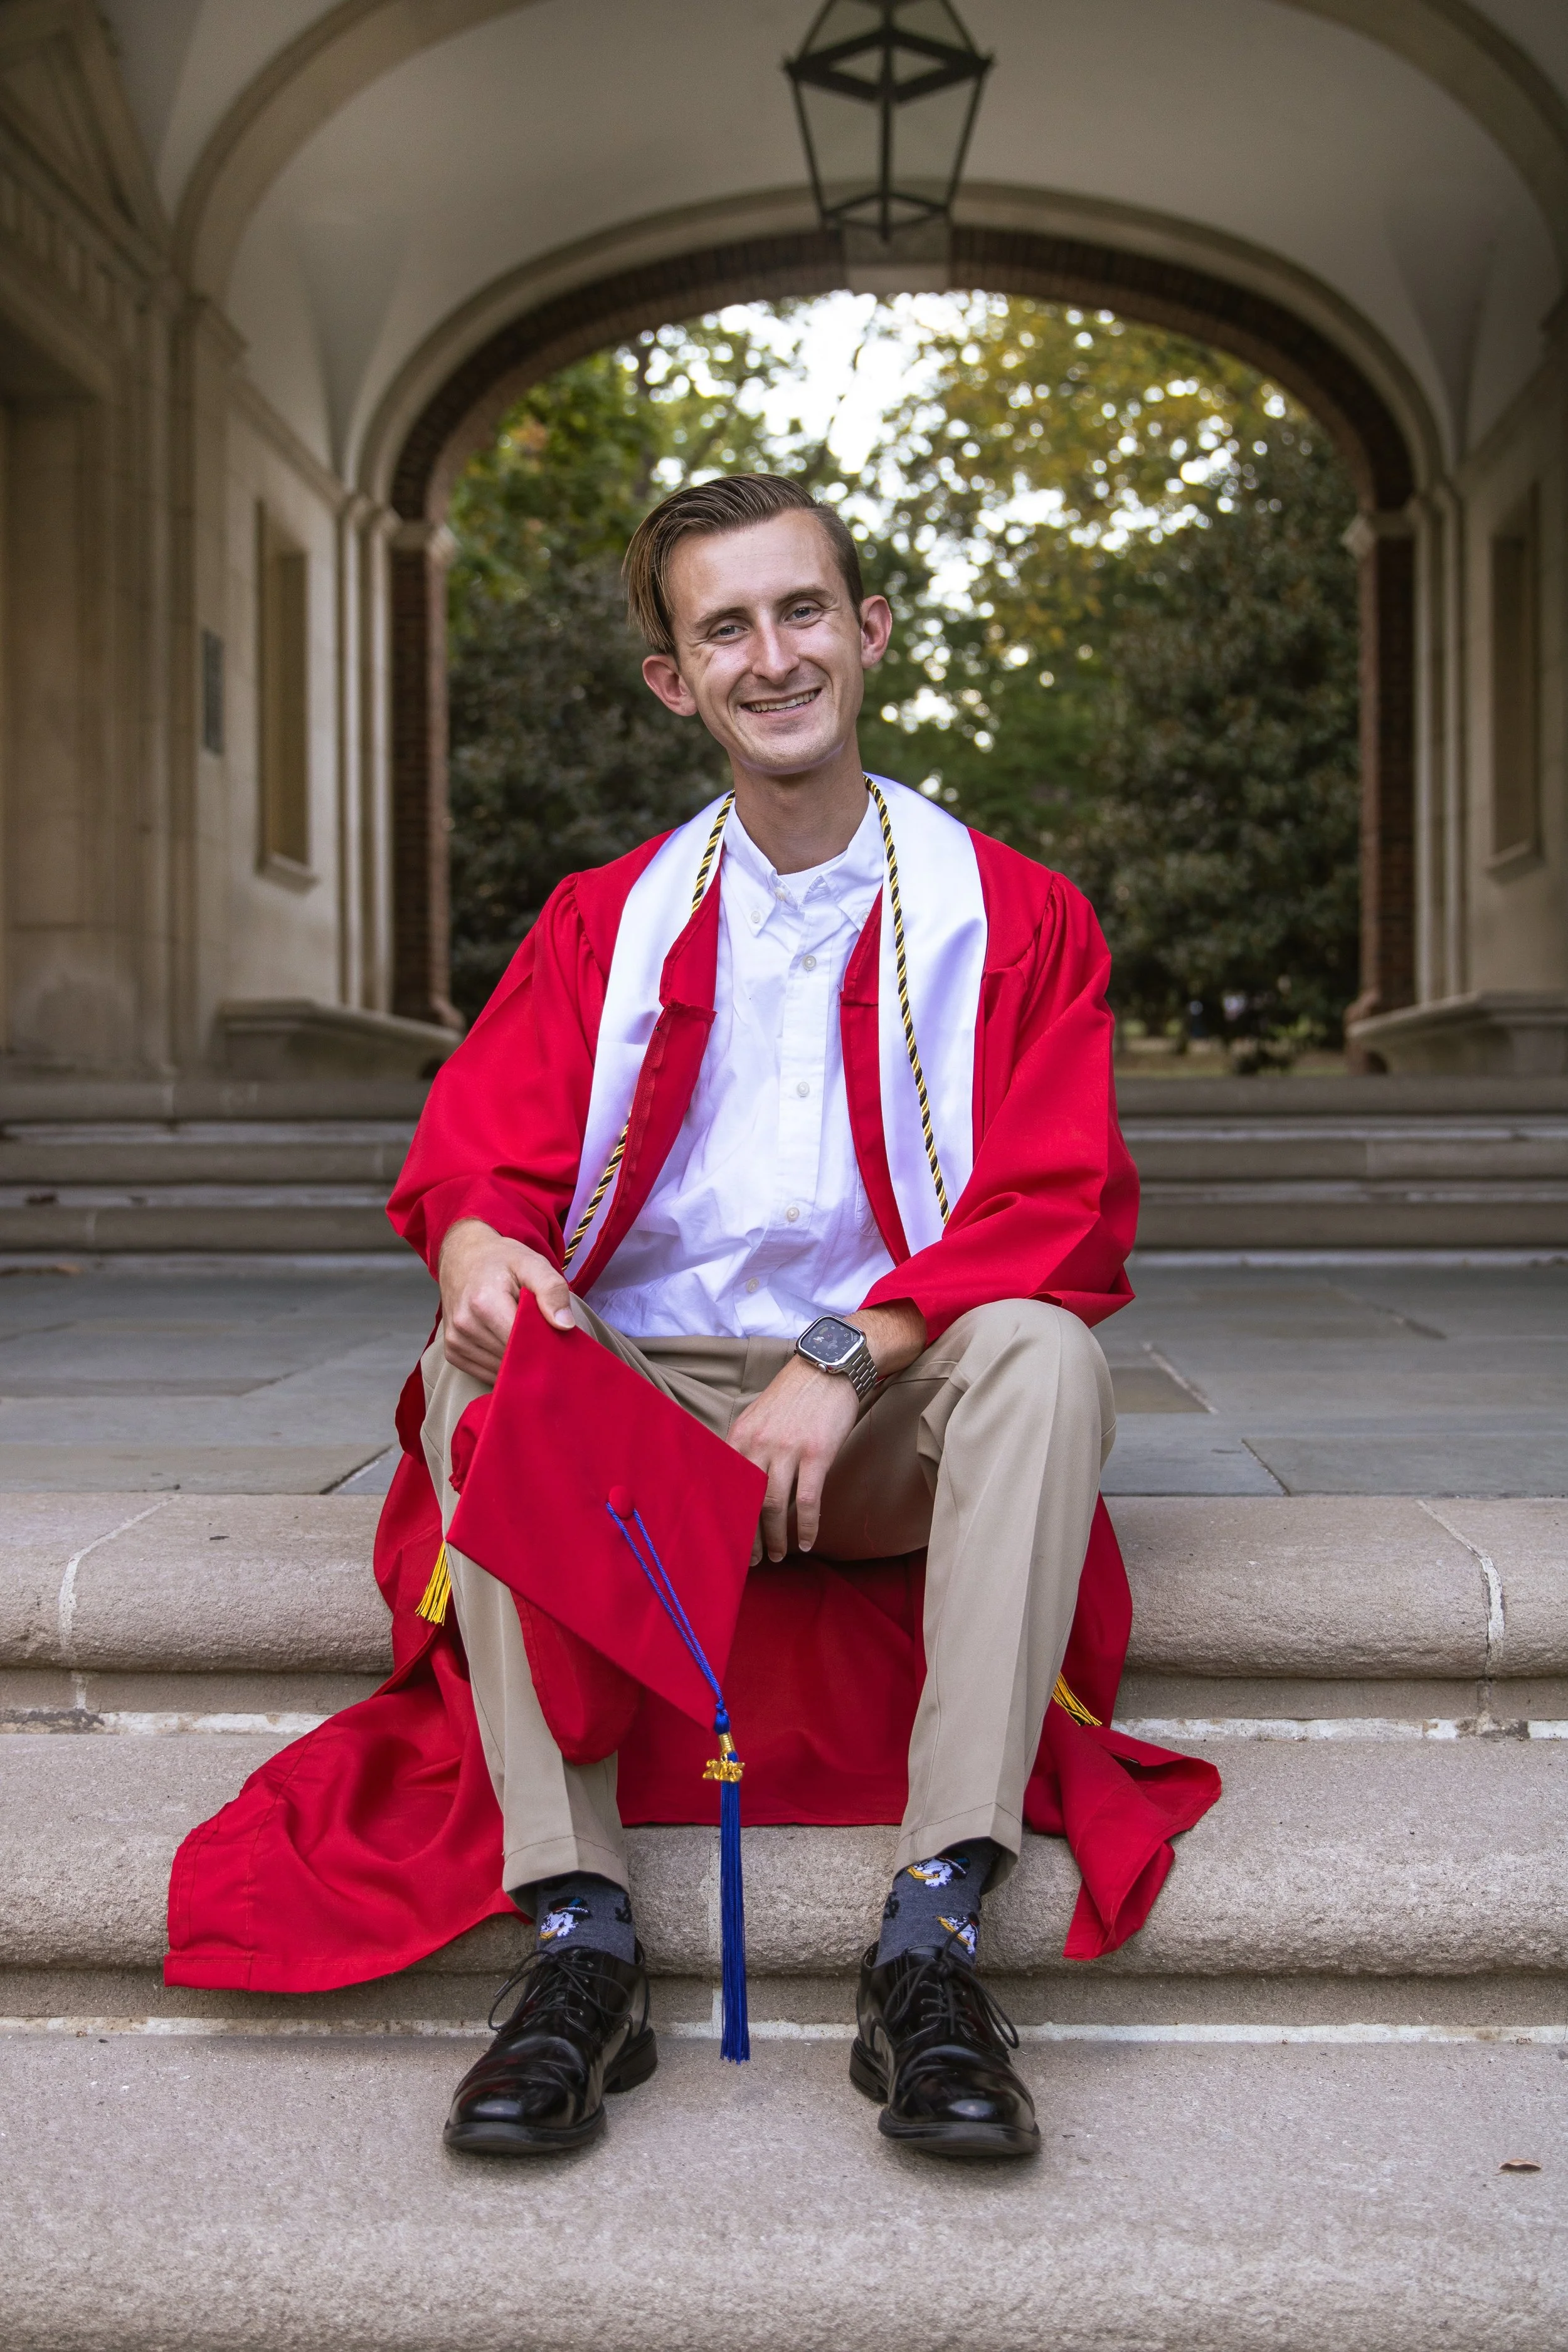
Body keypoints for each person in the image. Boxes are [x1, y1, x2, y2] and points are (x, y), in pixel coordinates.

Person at [392, 472, 1140, 2161]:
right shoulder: (606, 920)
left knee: (1043, 1345)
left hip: (880, 1410)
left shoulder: (1008, 915)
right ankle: (580, 1936)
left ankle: (933, 1931)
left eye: (801, 609)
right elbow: (478, 1159)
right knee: (474, 1358)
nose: (772, 652)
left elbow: (1058, 1201)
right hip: (643, 1424)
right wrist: (476, 1252)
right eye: (723, 626)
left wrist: (844, 1353)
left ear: (866, 632)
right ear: (676, 679)